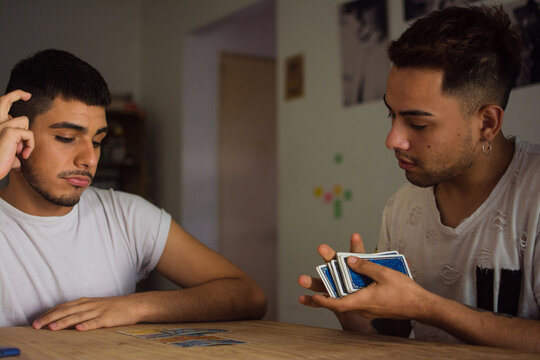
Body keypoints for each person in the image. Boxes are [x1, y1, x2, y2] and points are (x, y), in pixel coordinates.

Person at [299, 5, 540, 353]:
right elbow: (392, 340)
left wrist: (428, 307)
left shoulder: (533, 195)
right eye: (391, 114)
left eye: (419, 123)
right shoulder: (402, 208)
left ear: (487, 123)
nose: (392, 139)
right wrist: (356, 310)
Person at [0, 49, 266, 330]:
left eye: (98, 141)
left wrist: (136, 306)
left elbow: (248, 295)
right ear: (15, 134)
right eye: (67, 138)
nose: (89, 159)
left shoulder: (127, 215)